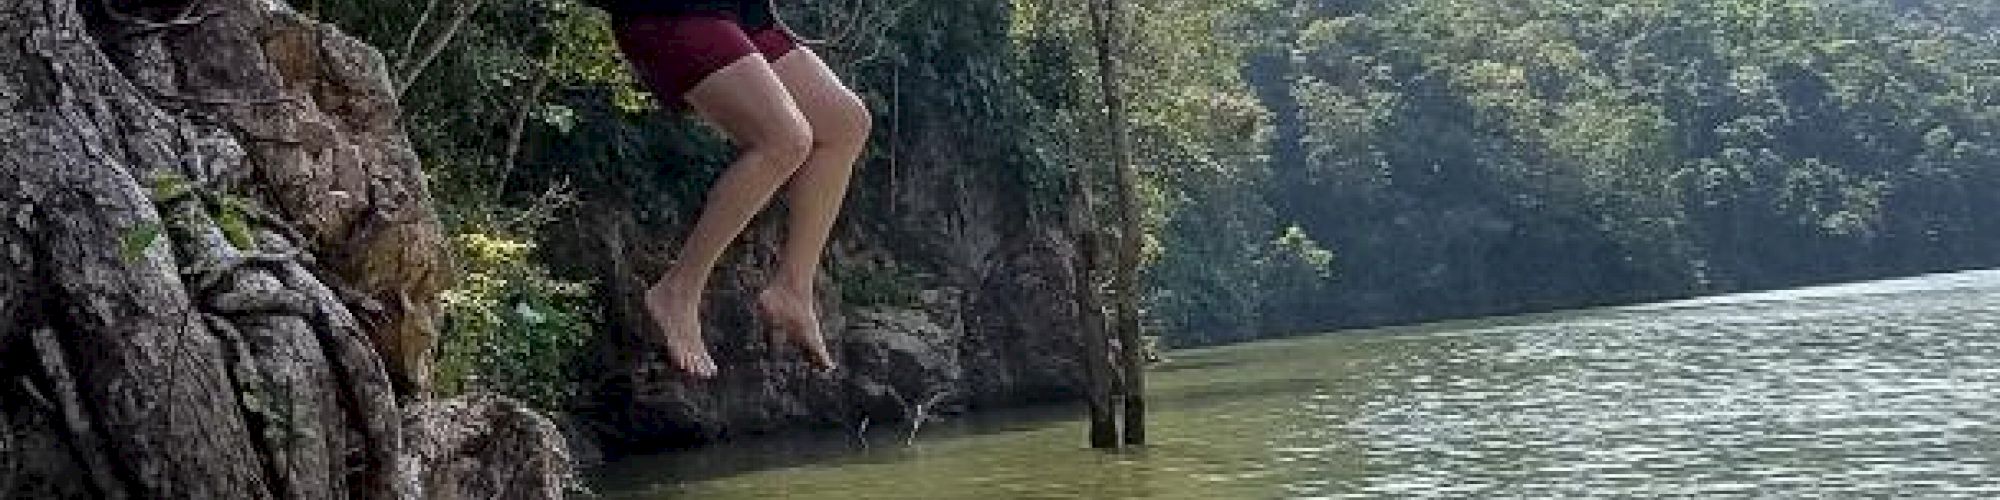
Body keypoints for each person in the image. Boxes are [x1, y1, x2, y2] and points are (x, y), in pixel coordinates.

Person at [596, 0, 869, 378]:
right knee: (785, 139)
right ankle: (678, 289)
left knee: (844, 124)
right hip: (671, 12)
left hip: (739, 11)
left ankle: (794, 287)